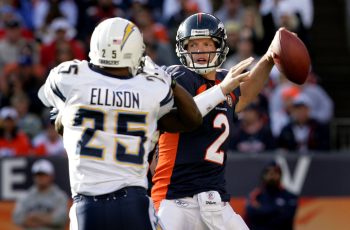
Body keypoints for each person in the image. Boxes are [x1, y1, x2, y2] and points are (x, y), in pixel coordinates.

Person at [37, 17, 203, 230]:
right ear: (136, 51)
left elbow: (55, 117)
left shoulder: (70, 76)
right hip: (132, 201)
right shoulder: (151, 88)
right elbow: (193, 120)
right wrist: (170, 81)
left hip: (86, 205)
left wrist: (74, 116)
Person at [151, 12, 278, 230]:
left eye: (206, 43)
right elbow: (188, 111)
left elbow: (244, 95)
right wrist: (222, 90)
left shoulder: (224, 81)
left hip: (215, 200)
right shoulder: (180, 76)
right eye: (193, 45)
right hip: (175, 198)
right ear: (184, 49)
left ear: (219, 46)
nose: (200, 50)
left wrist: (269, 58)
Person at [12, 159, 68, 230]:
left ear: (51, 176)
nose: (40, 178)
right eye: (38, 175)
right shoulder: (25, 196)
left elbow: (61, 219)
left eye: (44, 175)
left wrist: (35, 216)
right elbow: (17, 218)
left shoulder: (60, 196)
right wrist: (48, 218)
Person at [245, 161, 298, 230]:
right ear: (263, 175)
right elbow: (251, 215)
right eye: (268, 172)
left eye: (275, 172)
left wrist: (261, 210)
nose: (272, 175)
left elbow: (286, 217)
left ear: (280, 175)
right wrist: (277, 209)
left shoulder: (290, 197)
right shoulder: (255, 196)